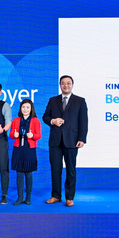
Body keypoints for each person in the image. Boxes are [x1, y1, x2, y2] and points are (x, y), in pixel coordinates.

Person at [42, 75, 88, 207]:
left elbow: (83, 122)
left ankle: (69, 197)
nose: (66, 85)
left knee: (71, 170)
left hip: (72, 141)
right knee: (55, 169)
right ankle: (56, 196)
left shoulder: (80, 101)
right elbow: (45, 117)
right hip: (55, 141)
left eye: (68, 83)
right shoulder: (52, 100)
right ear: (60, 85)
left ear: (72, 85)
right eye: (63, 83)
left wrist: (82, 138)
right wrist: (53, 121)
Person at [10, 99, 41, 205]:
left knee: (28, 174)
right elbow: (11, 134)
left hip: (29, 149)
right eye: (23, 107)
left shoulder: (35, 121)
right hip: (18, 149)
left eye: (28, 107)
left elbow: (39, 135)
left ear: (31, 109)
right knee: (19, 174)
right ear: (20, 108)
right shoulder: (16, 120)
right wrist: (14, 135)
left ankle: (28, 197)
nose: (25, 109)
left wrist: (33, 136)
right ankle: (20, 197)